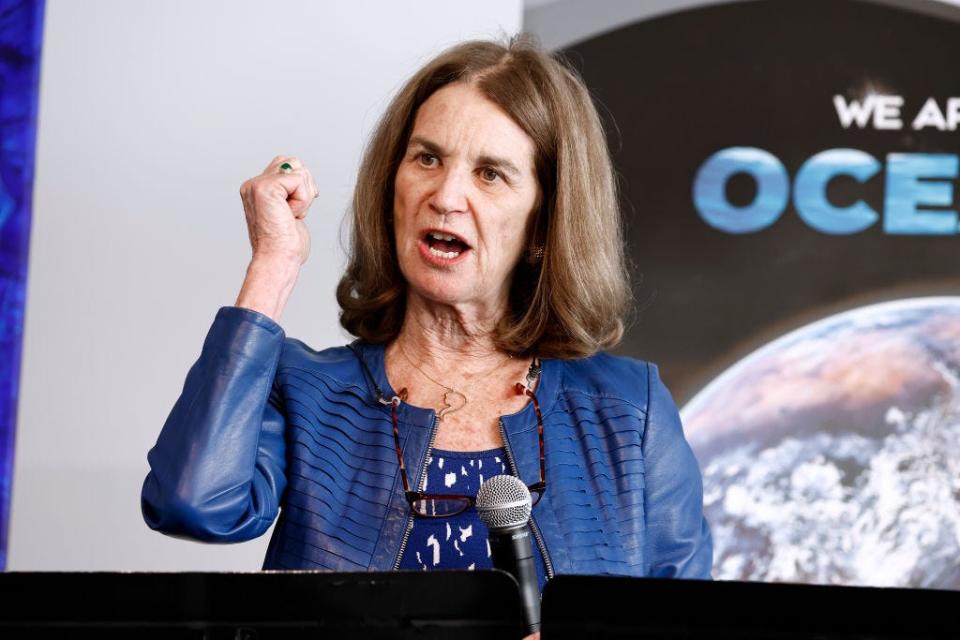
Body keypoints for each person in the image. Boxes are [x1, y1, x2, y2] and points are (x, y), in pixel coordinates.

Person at [142, 35, 712, 592]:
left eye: (490, 173)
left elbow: (687, 629)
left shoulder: (628, 411)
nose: (444, 195)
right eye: (427, 158)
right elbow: (192, 503)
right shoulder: (308, 391)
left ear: (543, 226)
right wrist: (273, 263)